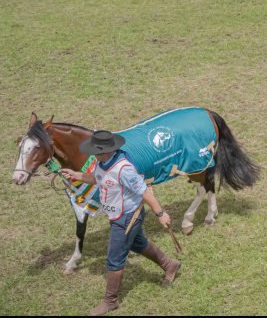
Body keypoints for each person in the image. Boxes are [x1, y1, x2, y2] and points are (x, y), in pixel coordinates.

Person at [60, 130, 181, 316]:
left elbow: (144, 192)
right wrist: (77, 175)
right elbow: (97, 178)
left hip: (127, 217)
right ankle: (169, 265)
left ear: (105, 151)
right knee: (137, 243)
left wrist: (160, 213)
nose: (92, 155)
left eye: (95, 152)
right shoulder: (103, 162)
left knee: (114, 258)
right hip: (117, 215)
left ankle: (110, 301)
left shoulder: (123, 169)